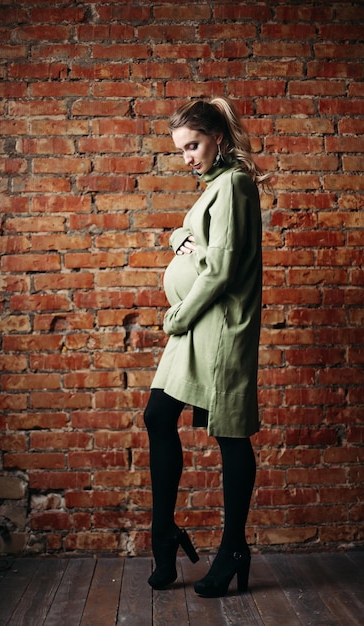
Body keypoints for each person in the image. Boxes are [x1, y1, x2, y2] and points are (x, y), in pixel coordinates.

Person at [144, 97, 269, 598]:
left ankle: (234, 547)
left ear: (218, 136)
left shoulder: (234, 185)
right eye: (180, 150)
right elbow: (191, 239)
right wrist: (181, 238)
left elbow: (218, 269)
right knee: (158, 416)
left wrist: (177, 314)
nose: (187, 157)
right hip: (197, 328)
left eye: (192, 145)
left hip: (217, 327)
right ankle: (165, 535)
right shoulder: (214, 189)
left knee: (231, 435)